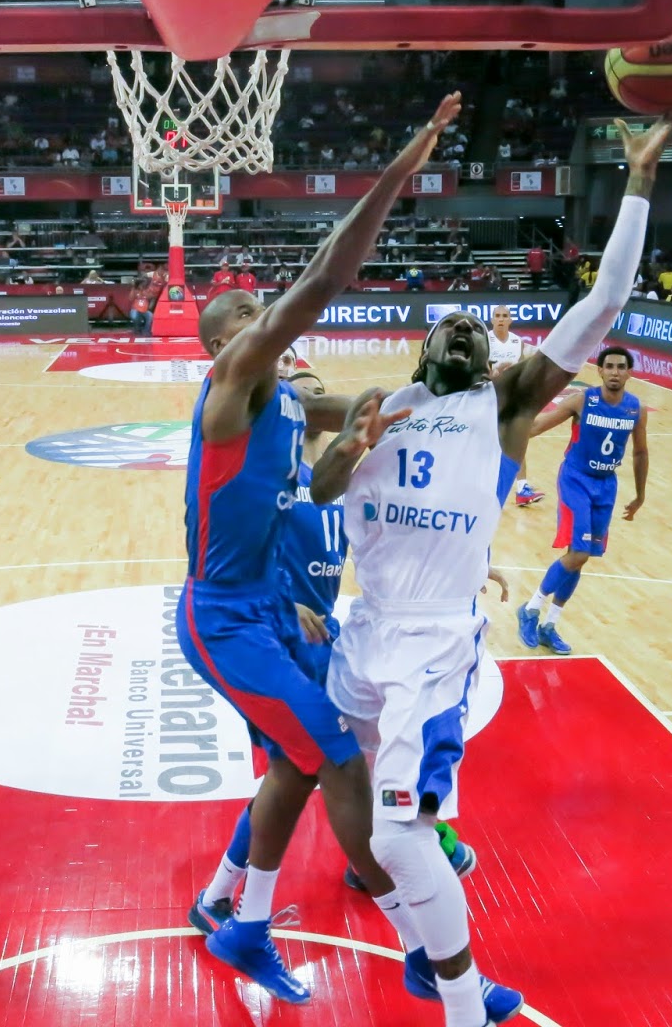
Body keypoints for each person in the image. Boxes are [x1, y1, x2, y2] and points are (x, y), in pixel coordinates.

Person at [308, 110, 672, 1027]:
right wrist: (291, 409)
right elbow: (299, 445)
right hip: (366, 627)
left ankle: (465, 1003)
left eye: (479, 332)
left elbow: (603, 308)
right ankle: (400, 935)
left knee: (404, 827)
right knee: (330, 778)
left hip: (436, 639)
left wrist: (637, 179)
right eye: (453, 329)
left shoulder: (506, 404)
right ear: (424, 348)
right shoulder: (377, 402)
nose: (466, 337)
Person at [181, 93, 463, 1006]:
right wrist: (396, 176)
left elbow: (378, 404)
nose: (275, 323)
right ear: (230, 343)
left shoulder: (294, 402)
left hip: (270, 609)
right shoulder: (232, 388)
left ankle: (238, 916)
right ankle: (417, 942)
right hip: (225, 619)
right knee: (335, 758)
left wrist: (462, 392)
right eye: (258, 318)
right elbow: (325, 279)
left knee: (296, 766)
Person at [515, 346, 650, 655]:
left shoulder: (635, 410)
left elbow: (640, 452)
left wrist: (640, 494)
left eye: (621, 367)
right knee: (577, 554)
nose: (615, 371)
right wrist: (508, 426)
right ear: (599, 371)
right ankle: (531, 608)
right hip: (575, 480)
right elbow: (536, 427)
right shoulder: (582, 401)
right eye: (610, 366)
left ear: (629, 372)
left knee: (580, 558)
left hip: (607, 486)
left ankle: (550, 625)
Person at [484, 307, 542, 507]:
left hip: (511, 397)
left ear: (510, 320)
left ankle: (522, 488)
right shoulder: (484, 340)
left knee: (517, 440)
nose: (501, 319)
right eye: (497, 316)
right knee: (490, 444)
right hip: (488, 397)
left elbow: (527, 367)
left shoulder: (518, 342)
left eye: (504, 316)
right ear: (492, 320)